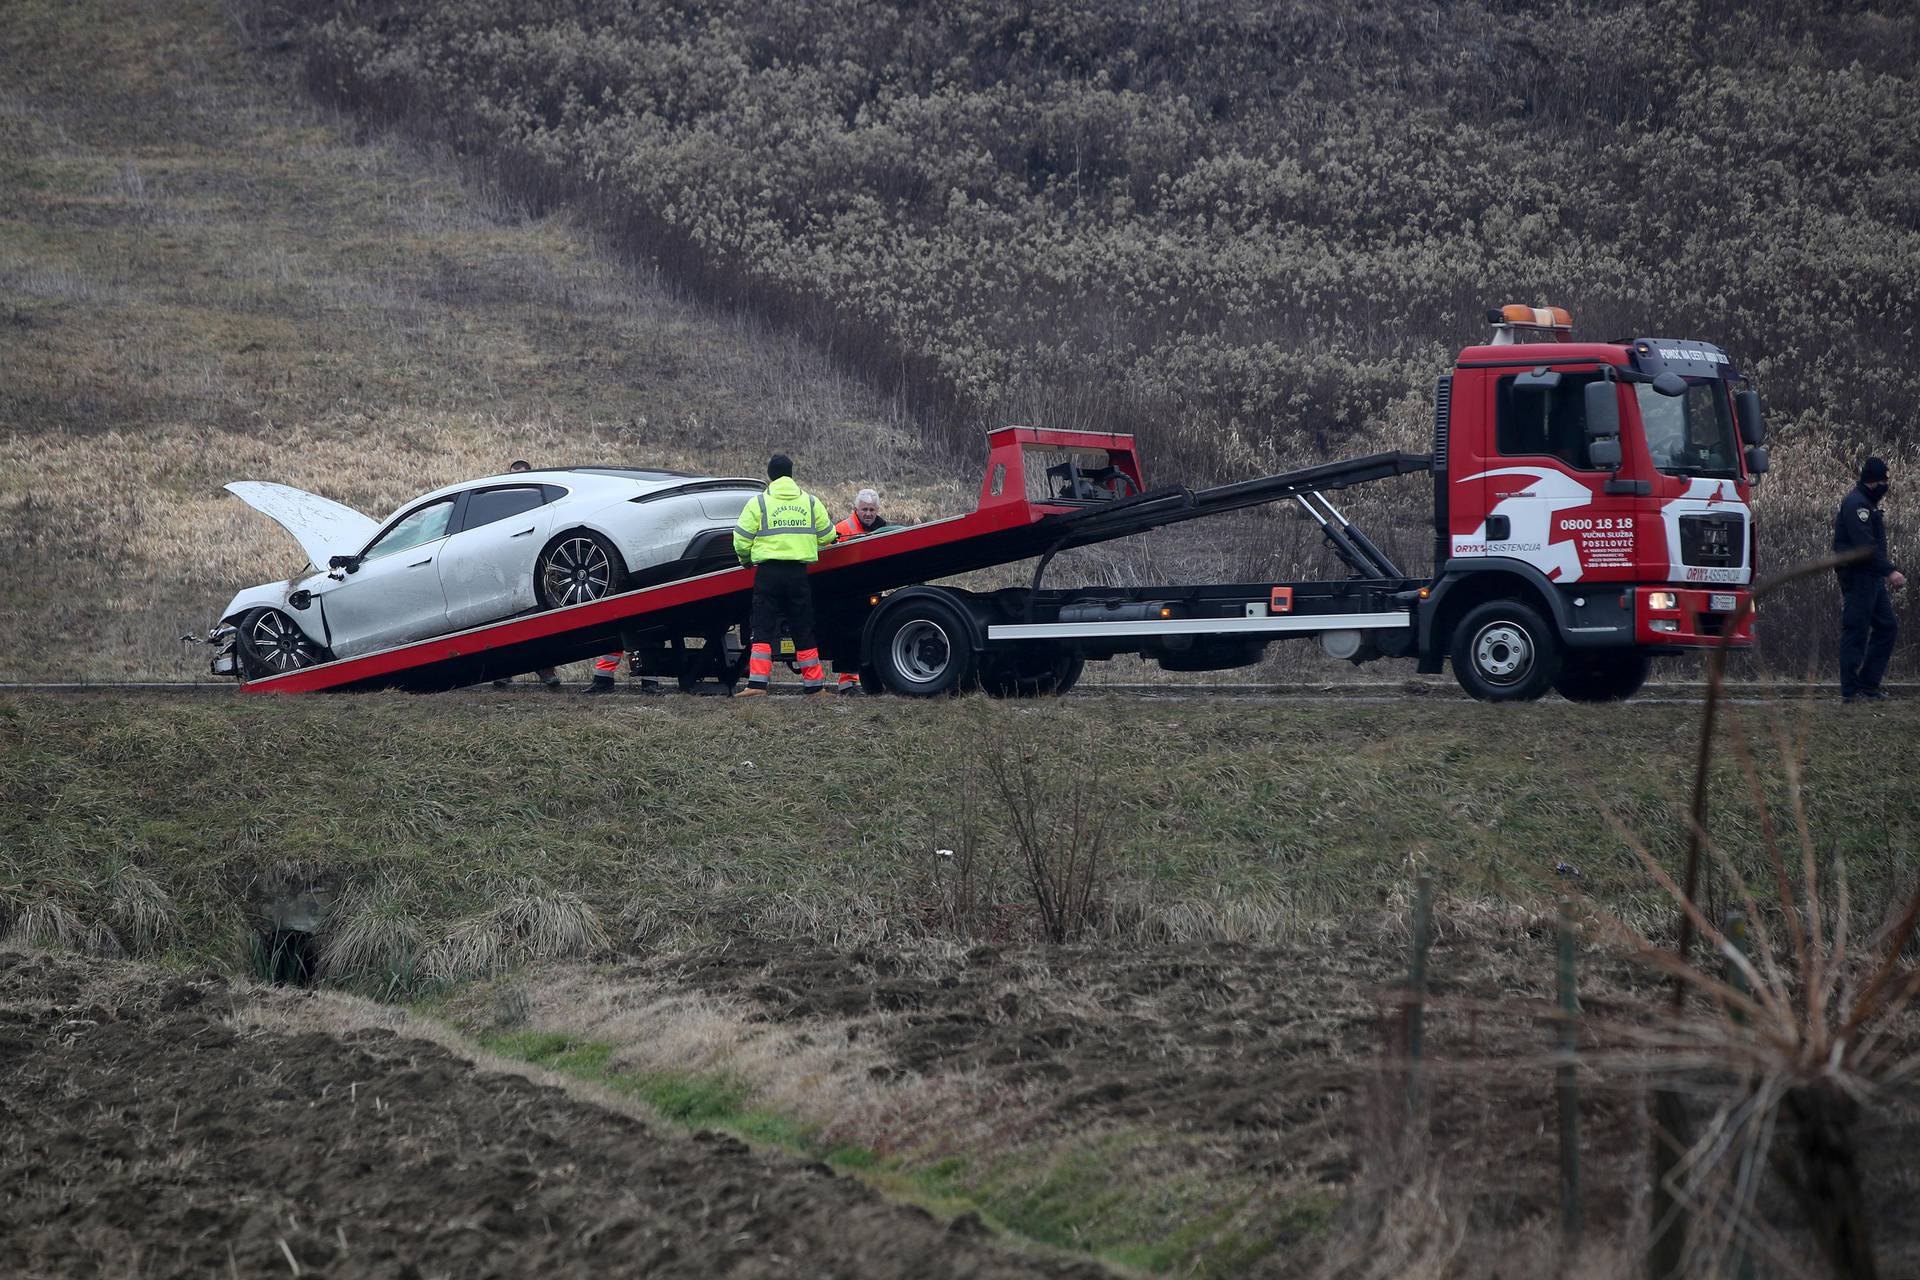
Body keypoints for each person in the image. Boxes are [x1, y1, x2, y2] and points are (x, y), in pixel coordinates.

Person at [733, 454, 836, 696]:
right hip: (798, 574)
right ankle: (814, 686)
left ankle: (757, 685)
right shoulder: (810, 502)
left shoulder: (758, 503)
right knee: (803, 627)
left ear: (770, 475)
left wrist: (746, 561)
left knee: (763, 627)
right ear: (791, 474)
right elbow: (829, 535)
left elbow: (740, 540)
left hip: (768, 573)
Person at [1833, 456, 1904, 702]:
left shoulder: (1868, 504)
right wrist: (1890, 570)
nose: (1886, 484)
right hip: (1858, 575)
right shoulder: (1857, 505)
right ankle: (1851, 692)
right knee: (1856, 630)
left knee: (1887, 627)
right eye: (1884, 480)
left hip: (1872, 577)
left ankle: (1868, 685)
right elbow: (1865, 545)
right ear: (1873, 481)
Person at [829, 489, 894, 693]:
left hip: (871, 590)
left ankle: (871, 681)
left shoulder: (885, 529)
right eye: (864, 509)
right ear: (855, 509)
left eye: (872, 510)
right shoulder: (842, 528)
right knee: (849, 636)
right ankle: (847, 682)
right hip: (846, 592)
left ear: (877, 510)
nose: (868, 514)